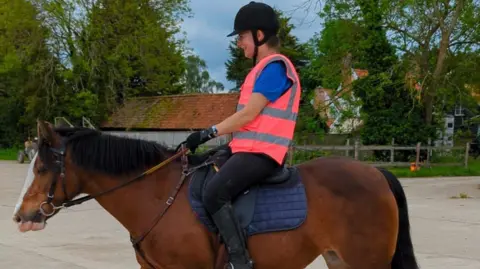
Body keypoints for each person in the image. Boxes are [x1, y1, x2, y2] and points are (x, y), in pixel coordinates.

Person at [184, 2, 301, 268]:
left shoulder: (275, 68)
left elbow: (248, 115)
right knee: (201, 168)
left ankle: (239, 261)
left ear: (259, 35)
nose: (239, 43)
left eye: (241, 36)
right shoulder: (259, 70)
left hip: (263, 154)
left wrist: (207, 133)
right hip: (245, 149)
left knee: (214, 193)